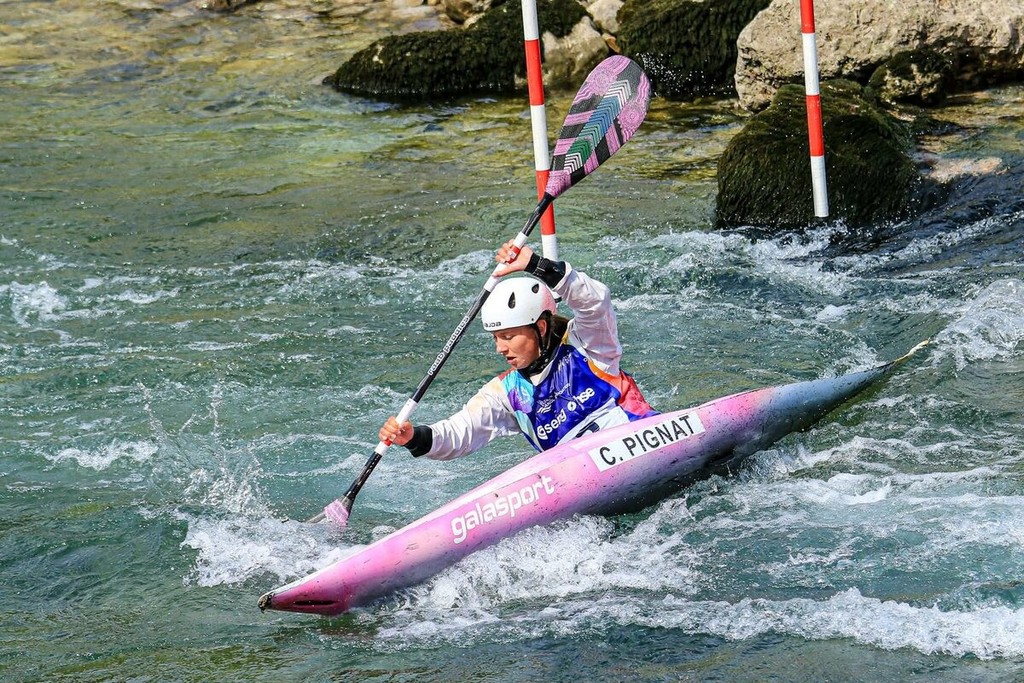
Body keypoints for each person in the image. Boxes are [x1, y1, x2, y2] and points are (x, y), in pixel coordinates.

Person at [379, 241, 657, 460]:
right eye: (496, 338)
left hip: (644, 444)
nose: (500, 348)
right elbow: (461, 432)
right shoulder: (507, 392)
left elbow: (595, 301)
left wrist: (536, 264)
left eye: (509, 336)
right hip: (584, 477)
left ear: (541, 328)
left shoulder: (586, 346)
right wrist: (412, 437)